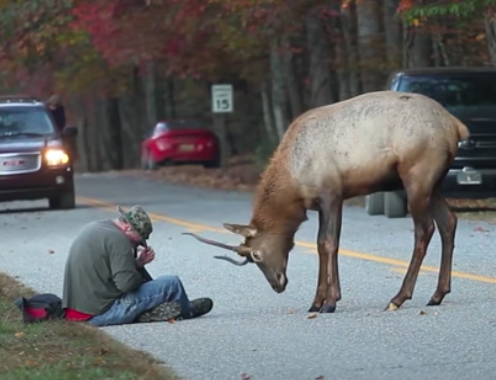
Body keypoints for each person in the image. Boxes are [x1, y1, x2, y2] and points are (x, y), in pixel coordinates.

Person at [61, 205, 213, 326]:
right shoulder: (119, 240)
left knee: (155, 287)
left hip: (77, 312)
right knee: (172, 283)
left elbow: (108, 271)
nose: (138, 243)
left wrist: (138, 263)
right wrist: (137, 267)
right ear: (128, 228)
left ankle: (149, 312)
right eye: (139, 239)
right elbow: (126, 285)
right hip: (101, 313)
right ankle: (187, 311)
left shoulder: (96, 227)